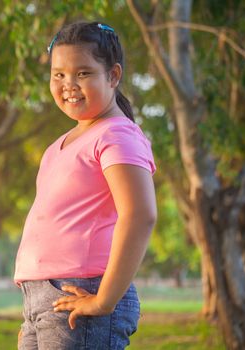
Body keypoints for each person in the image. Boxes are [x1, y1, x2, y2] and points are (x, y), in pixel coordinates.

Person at [14, 21, 157, 350]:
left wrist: (104, 300)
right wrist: (32, 314)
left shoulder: (116, 134)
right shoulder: (58, 146)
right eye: (58, 74)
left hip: (83, 293)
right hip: (42, 302)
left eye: (83, 73)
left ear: (113, 75)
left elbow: (140, 214)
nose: (68, 84)